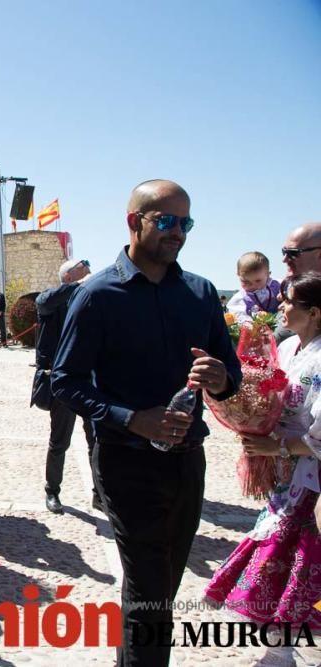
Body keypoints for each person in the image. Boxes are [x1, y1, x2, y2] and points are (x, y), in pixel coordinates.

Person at [52, 179, 241, 667]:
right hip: (125, 462)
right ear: (134, 221)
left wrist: (220, 377)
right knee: (150, 593)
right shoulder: (96, 295)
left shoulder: (199, 292)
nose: (178, 232)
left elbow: (231, 376)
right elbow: (65, 383)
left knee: (160, 588)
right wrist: (133, 419)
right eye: (167, 221)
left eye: (186, 223)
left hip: (187, 461)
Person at [205, 271, 321, 666]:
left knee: (296, 561)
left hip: (310, 479)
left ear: (316, 312)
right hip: (282, 474)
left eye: (289, 302)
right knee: (280, 559)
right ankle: (279, 649)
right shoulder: (288, 349)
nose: (281, 306)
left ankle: (281, 650)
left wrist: (278, 446)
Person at [33, 258, 98, 515]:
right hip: (63, 381)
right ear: (69, 276)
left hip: (89, 381)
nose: (89, 271)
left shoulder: (90, 300)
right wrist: (82, 285)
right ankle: (52, 491)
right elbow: (43, 302)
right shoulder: (51, 301)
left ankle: (99, 494)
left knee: (96, 440)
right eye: (83, 268)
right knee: (60, 441)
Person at [225, 251, 281, 324]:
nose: (253, 286)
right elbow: (240, 317)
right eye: (245, 281)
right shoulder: (241, 299)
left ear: (268, 275)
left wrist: (286, 294)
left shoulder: (277, 285)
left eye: (258, 281)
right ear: (238, 275)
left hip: (282, 324)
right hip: (257, 330)